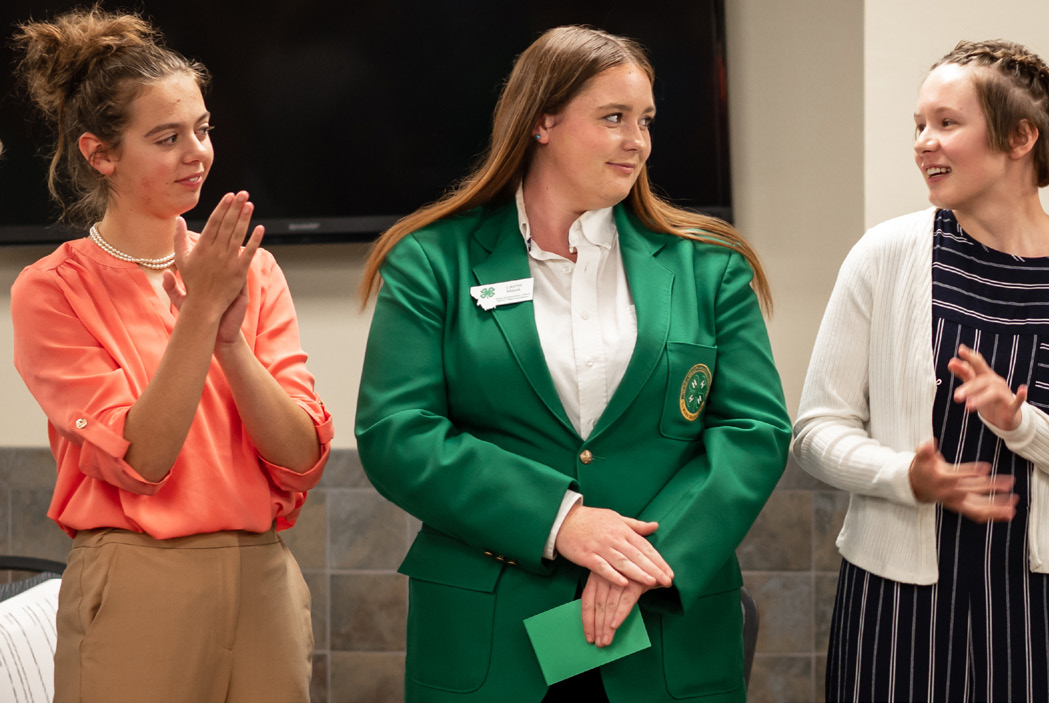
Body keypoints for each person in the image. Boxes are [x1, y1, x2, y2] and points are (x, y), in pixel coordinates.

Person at [355, 25, 791, 703]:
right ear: (542, 122)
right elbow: (397, 432)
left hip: (662, 634)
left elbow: (753, 432)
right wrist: (563, 520)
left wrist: (640, 560)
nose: (637, 141)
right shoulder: (430, 260)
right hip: (489, 640)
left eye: (644, 120)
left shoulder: (709, 266)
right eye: (613, 118)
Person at [793, 39, 1049, 702]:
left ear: (1021, 137)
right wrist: (905, 476)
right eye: (919, 125)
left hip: (1044, 610)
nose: (924, 142)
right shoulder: (884, 255)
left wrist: (1023, 424)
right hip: (893, 603)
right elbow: (816, 429)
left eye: (947, 123)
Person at [9, 8, 333, 703]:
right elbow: (142, 460)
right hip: (136, 578)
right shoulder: (52, 291)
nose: (198, 153)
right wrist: (201, 312)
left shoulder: (255, 271)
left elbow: (301, 457)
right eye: (167, 137)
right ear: (100, 153)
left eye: (203, 128)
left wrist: (228, 339)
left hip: (263, 577)